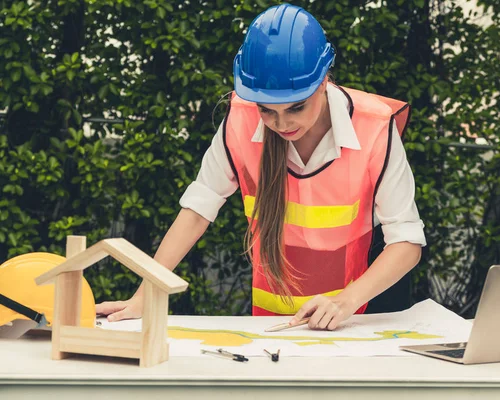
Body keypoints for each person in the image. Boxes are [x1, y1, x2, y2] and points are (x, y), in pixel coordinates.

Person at [96, 4, 426, 330]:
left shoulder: (374, 127)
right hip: (268, 329)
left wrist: (345, 301)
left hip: (349, 323)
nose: (281, 124)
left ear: (324, 81)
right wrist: (145, 292)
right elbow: (198, 210)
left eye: (296, 107)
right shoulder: (240, 119)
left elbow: (407, 242)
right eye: (267, 110)